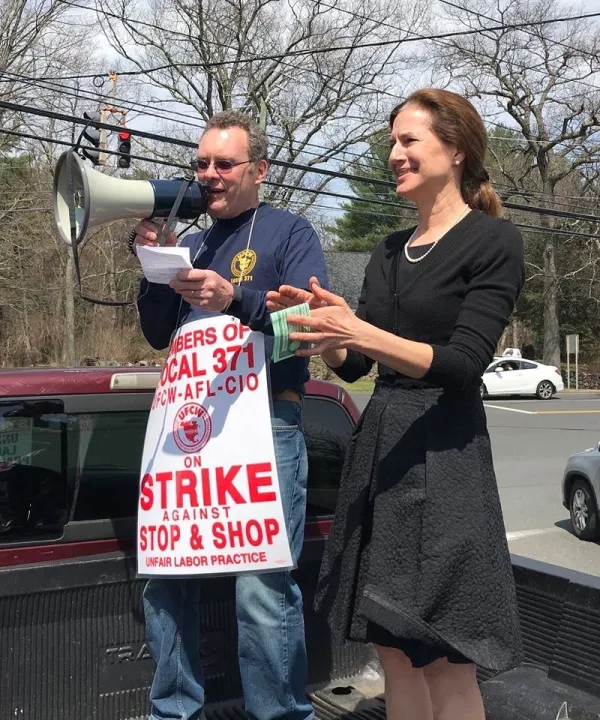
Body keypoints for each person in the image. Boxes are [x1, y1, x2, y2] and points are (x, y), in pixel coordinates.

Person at [267, 88, 525, 720]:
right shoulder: (386, 251)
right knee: (393, 650)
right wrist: (325, 331)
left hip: (446, 453)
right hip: (381, 451)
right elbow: (356, 366)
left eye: (409, 140)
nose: (394, 153)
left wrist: (361, 331)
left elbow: (464, 364)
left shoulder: (495, 241)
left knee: (443, 653)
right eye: (391, 142)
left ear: (456, 149)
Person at [131, 109, 328, 720]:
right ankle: (174, 710)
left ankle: (279, 713)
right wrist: (152, 269)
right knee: (165, 579)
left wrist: (234, 298)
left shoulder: (291, 233)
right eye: (201, 164)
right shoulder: (189, 238)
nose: (209, 175)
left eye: (224, 163)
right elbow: (159, 334)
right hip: (193, 428)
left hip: (267, 426)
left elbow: (308, 330)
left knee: (262, 590)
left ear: (259, 169)